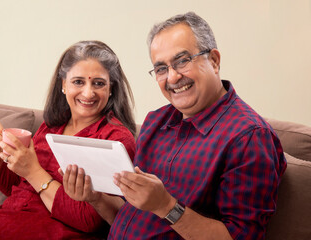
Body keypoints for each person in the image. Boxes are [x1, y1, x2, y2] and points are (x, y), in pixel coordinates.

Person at [62, 12, 287, 240]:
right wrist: (95, 197)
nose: (172, 77)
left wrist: (167, 207)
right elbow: (132, 217)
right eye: (161, 68)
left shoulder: (249, 137)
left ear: (214, 61)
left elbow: (241, 237)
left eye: (182, 61)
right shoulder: (156, 122)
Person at [0, 40, 136, 240]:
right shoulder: (52, 125)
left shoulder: (115, 139)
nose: (88, 92)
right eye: (78, 82)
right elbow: (17, 189)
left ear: (111, 89)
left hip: (55, 231)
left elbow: (89, 220)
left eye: (98, 83)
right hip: (10, 217)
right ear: (63, 84)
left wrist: (33, 171)